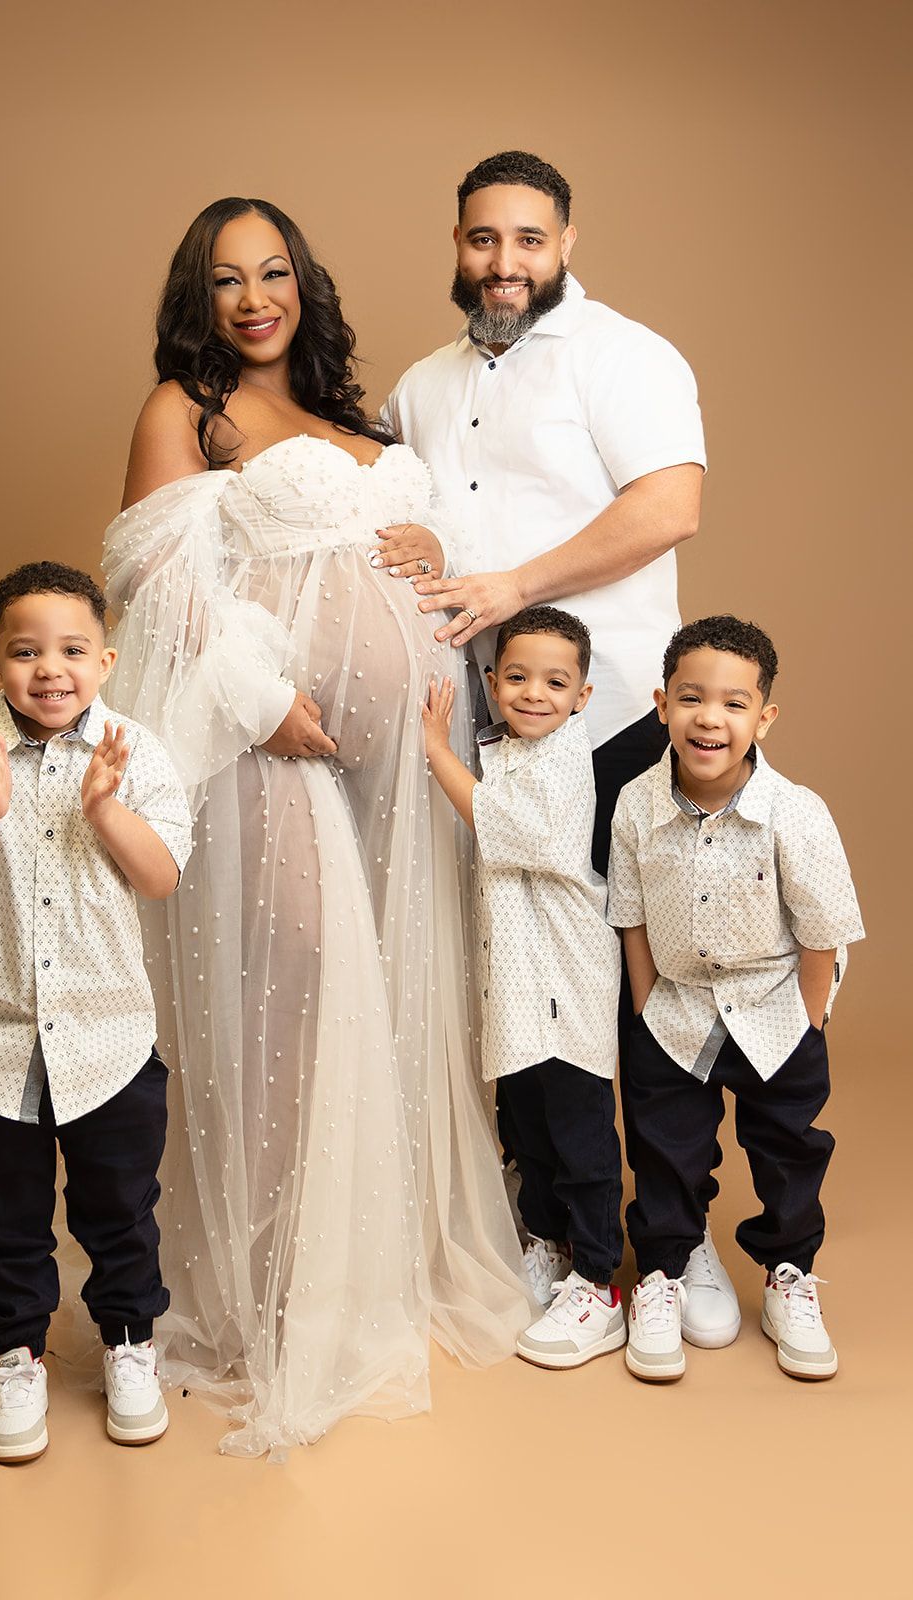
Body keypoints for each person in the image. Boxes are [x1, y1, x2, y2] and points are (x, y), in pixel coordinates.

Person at [102, 197, 531, 1457]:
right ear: (199, 294)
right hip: (261, 741)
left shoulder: (361, 418)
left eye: (273, 271)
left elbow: (381, 556)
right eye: (227, 279)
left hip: (398, 765)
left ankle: (366, 1260)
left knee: (390, 989)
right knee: (294, 985)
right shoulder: (185, 412)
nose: (253, 298)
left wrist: (425, 538)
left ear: (303, 283)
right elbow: (156, 586)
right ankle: (273, 1287)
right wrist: (261, 700)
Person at [382, 146, 711, 1265]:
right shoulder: (421, 384)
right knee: (512, 972)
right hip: (481, 730)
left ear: (565, 243)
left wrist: (513, 585)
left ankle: (672, 1232)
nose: (503, 261)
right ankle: (541, 1215)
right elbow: (398, 514)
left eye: (528, 239)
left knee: (631, 974)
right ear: (457, 245)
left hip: (608, 714)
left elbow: (671, 504)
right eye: (482, 238)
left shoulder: (623, 356)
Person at [0, 562, 194, 1462]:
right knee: (5, 1212)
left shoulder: (135, 751)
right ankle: (16, 1354)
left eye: (71, 651)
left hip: (108, 1034)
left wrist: (103, 810)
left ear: (105, 660)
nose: (50, 670)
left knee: (119, 1207)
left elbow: (161, 877)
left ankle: (129, 1344)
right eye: (26, 653)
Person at [607, 616, 864, 1382]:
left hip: (775, 1010)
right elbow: (631, 916)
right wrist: (649, 1009)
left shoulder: (796, 811)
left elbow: (823, 932)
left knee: (788, 1153)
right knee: (663, 1148)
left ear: (763, 716)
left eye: (732, 703)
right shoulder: (634, 805)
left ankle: (787, 1273)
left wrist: (807, 1021)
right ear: (661, 705)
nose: (708, 718)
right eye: (690, 698)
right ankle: (663, 1271)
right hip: (675, 1012)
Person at [422, 607, 626, 1369]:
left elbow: (504, 829)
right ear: (493, 683)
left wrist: (435, 751)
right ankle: (547, 1242)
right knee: (527, 1128)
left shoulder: (566, 758)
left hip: (561, 979)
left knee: (578, 1136)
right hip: (513, 982)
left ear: (581, 696)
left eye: (554, 682)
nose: (533, 693)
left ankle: (599, 1282)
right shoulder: (505, 747)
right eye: (516, 677)